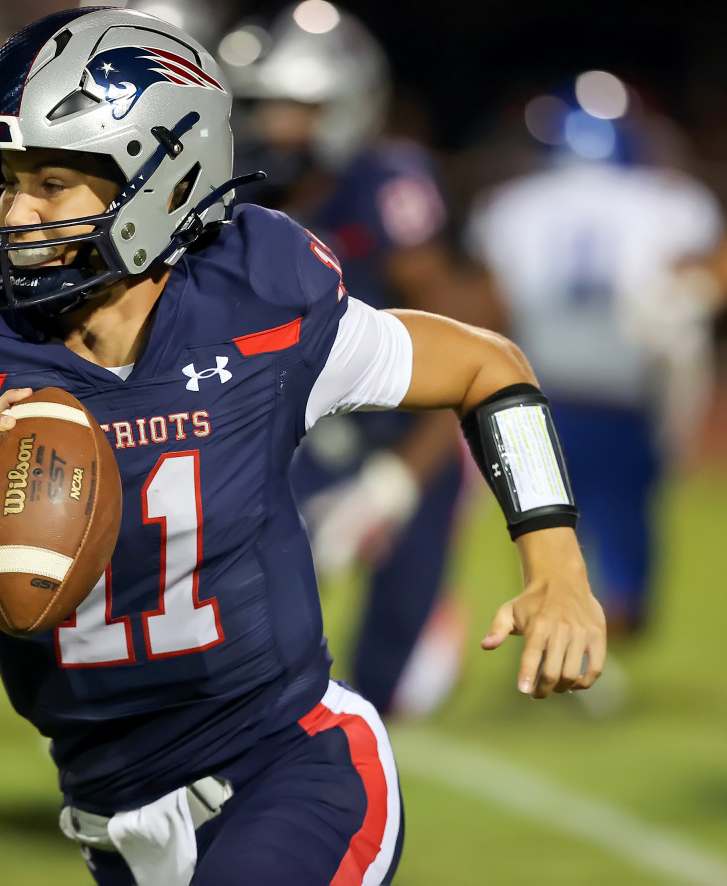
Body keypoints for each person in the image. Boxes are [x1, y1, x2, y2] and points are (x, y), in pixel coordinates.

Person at [0, 8, 605, 886]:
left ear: (162, 182)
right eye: (6, 179)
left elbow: (488, 366)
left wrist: (554, 565)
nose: (13, 210)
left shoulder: (258, 297)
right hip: (116, 825)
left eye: (52, 181)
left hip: (293, 773)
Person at [217, 1, 506, 717]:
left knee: (390, 676)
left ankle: (427, 625)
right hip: (292, 425)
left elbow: (468, 348)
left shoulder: (386, 185)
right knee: (247, 621)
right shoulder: (243, 189)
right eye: (265, 104)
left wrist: (397, 483)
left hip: (401, 426)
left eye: (297, 105)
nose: (275, 124)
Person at [469, 71, 724, 647]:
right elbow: (694, 278)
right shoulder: (667, 202)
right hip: (620, 393)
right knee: (626, 535)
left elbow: (495, 301)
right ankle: (605, 625)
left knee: (544, 531)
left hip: (531, 392)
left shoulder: (512, 207)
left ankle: (561, 632)